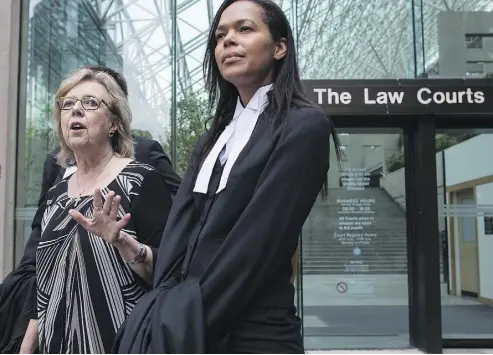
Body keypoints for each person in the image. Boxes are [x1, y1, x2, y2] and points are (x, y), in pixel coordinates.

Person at [114, 0, 340, 353]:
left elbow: (259, 243)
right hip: (191, 324)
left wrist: (177, 317)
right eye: (220, 36)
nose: (228, 41)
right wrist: (163, 299)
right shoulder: (213, 138)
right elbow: (181, 234)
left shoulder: (303, 125)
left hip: (251, 331)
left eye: (244, 29)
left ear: (280, 47)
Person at [0, 66, 181, 353]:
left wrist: (124, 242)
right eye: (68, 104)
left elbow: (169, 272)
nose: (76, 111)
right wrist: (27, 346)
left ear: (114, 123)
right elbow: (44, 284)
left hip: (119, 343)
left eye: (91, 103)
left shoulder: (140, 179)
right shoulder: (57, 193)